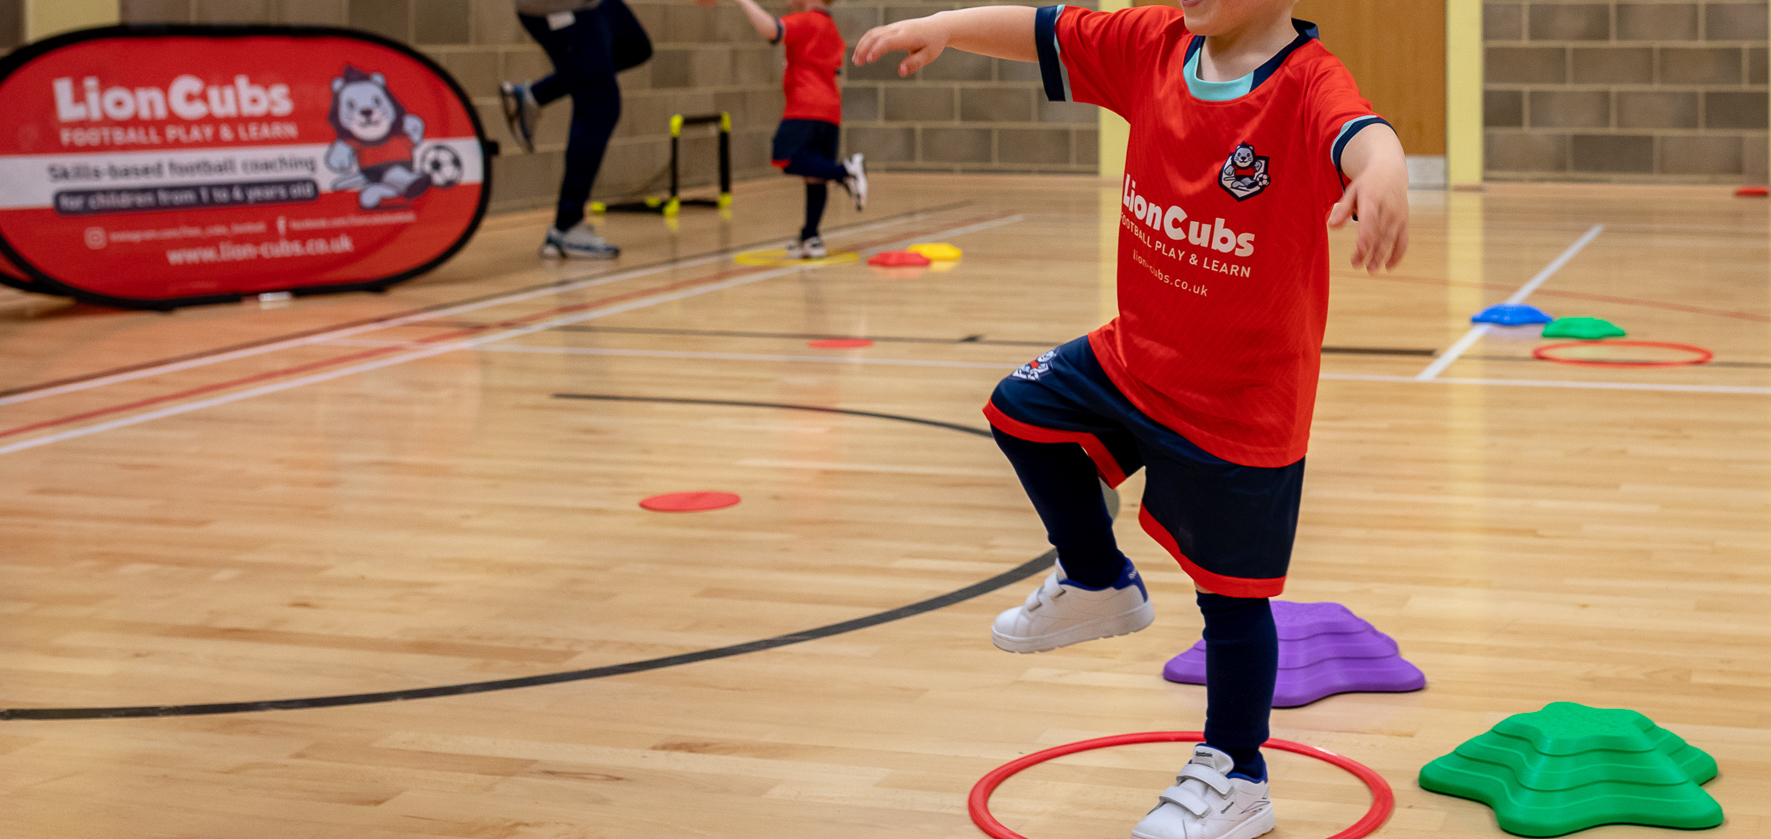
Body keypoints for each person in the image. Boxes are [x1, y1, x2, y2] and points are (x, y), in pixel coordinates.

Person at [853, 2, 1409, 838]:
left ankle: (1237, 774)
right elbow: (1046, 29)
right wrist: (942, 25)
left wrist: (1386, 168)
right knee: (1019, 409)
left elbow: (1361, 131)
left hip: (1241, 399)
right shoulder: (1156, 42)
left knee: (1232, 599)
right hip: (1133, 360)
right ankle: (1096, 577)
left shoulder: (1305, 84)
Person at [501, 0, 652, 259]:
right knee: (600, 106)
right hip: (560, 9)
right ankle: (567, 226)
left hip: (591, 5)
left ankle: (533, 96)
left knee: (633, 46)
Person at [727, 0, 867, 259]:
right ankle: (811, 237)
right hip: (830, 110)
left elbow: (772, 30)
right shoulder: (832, 30)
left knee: (785, 158)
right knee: (815, 177)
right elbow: (837, 75)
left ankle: (845, 172)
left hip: (804, 106)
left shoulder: (807, 20)